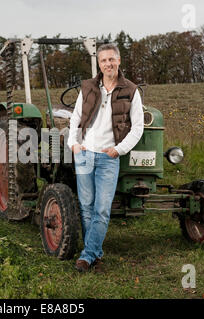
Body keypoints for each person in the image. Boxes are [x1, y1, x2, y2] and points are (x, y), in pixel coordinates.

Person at [67, 43, 144, 272]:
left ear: (119, 61)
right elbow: (76, 117)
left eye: (112, 59)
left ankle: (87, 256)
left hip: (108, 158)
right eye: (104, 61)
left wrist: (119, 150)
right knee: (86, 206)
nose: (108, 64)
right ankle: (95, 255)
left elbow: (137, 127)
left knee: (101, 209)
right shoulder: (88, 87)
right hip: (85, 155)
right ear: (99, 64)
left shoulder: (131, 90)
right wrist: (74, 144)